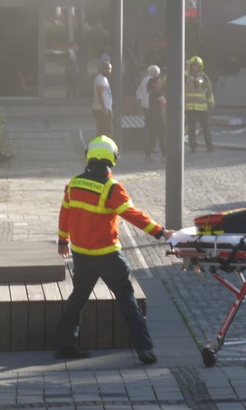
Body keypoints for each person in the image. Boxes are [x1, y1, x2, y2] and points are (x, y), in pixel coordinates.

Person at [54, 136, 171, 363]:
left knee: (77, 298)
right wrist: (160, 232)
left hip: (81, 254)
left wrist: (62, 241)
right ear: (112, 160)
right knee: (127, 299)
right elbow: (132, 215)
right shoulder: (112, 188)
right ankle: (144, 349)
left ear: (88, 156)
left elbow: (64, 214)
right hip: (108, 255)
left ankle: (65, 345)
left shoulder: (75, 183)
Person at [185, 56, 214, 152]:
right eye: (193, 66)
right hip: (189, 107)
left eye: (197, 66)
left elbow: (209, 91)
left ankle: (209, 146)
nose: (195, 67)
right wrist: (185, 67)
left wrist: (211, 103)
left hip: (202, 107)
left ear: (200, 66)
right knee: (191, 129)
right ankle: (193, 147)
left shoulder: (204, 77)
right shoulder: (186, 76)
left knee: (205, 127)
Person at [145, 67, 166, 161]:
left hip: (151, 116)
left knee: (152, 136)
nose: (160, 84)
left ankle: (148, 154)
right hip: (157, 117)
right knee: (162, 136)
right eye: (159, 83)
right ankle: (165, 155)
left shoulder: (151, 93)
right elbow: (164, 102)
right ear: (154, 84)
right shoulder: (157, 93)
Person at [92, 60, 113, 137]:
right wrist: (104, 108)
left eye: (110, 69)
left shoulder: (103, 78)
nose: (108, 71)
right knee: (105, 131)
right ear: (101, 69)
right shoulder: (101, 79)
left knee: (104, 130)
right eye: (106, 68)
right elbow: (100, 95)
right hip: (102, 109)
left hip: (104, 108)